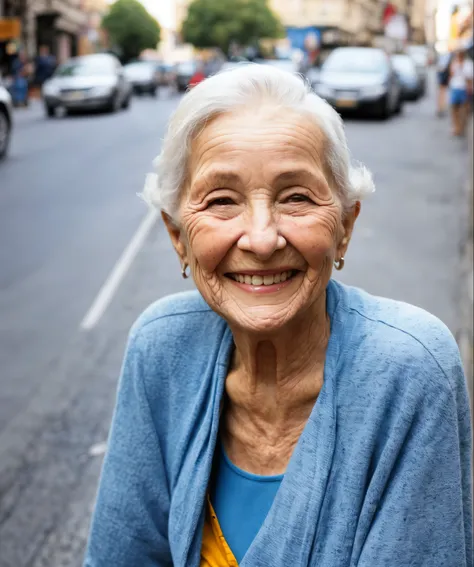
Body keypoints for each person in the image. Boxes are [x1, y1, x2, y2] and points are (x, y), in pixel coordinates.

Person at [83, 65, 472, 567]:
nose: (263, 238)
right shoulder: (161, 348)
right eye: (222, 201)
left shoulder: (410, 368)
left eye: (296, 198)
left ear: (345, 227)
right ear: (178, 236)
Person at [449, 47, 474, 136]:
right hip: (455, 87)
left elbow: (470, 79)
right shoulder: (454, 63)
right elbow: (451, 75)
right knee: (454, 108)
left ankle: (462, 127)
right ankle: (456, 127)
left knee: (463, 110)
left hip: (464, 89)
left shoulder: (468, 64)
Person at [436, 51, 452, 117]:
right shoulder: (446, 55)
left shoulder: (447, 54)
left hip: (443, 74)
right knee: (442, 92)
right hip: (444, 74)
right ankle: (441, 108)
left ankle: (441, 108)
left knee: (442, 92)